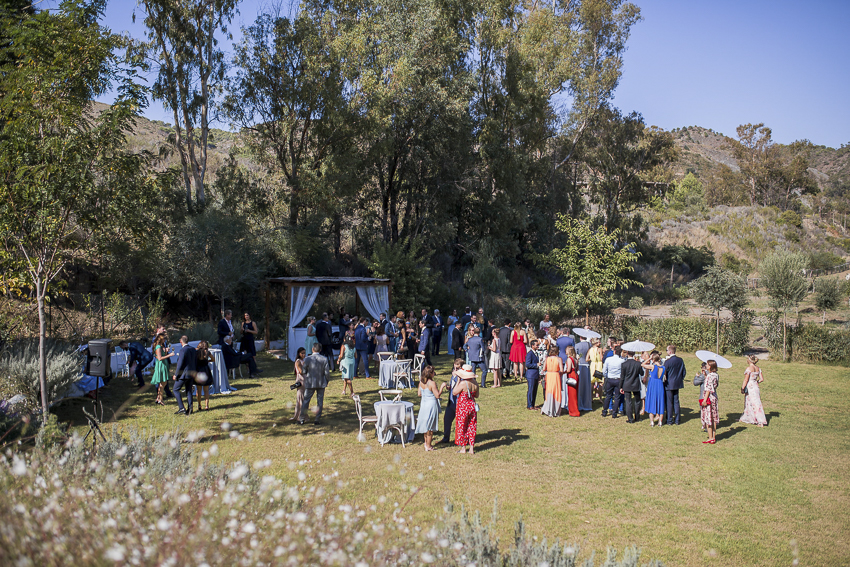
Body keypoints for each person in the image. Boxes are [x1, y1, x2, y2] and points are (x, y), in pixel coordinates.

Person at [414, 365, 446, 451]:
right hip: (431, 405)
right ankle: (428, 445)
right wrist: (442, 387)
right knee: (430, 426)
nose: (434, 374)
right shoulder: (432, 383)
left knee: (425, 424)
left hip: (423, 404)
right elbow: (437, 395)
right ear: (430, 374)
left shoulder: (421, 382)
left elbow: (419, 394)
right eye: (433, 373)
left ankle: (426, 443)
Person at [299, 343, 330, 425]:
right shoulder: (324, 359)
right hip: (321, 382)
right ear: (320, 350)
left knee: (306, 401)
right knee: (320, 401)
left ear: (313, 349)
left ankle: (302, 418)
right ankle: (317, 419)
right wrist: (327, 380)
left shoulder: (308, 359)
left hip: (310, 382)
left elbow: (304, 371)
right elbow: (327, 372)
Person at [452, 364, 479, 454]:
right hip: (472, 406)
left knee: (462, 426)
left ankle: (463, 448)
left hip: (463, 407)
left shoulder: (463, 383)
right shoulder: (475, 383)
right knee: (472, 426)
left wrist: (458, 381)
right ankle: (471, 448)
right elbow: (477, 395)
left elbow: (454, 392)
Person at [439, 359, 464, 444]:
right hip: (451, 402)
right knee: (447, 419)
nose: (455, 370)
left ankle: (460, 440)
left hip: (458, 402)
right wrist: (449, 387)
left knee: (459, 422)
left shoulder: (463, 377)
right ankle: (446, 438)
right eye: (454, 368)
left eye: (457, 368)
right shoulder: (453, 375)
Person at [740, 355, 767, 427]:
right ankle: (748, 417)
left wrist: (742, 388)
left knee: (753, 402)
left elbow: (746, 379)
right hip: (755, 385)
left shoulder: (749, 369)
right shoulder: (758, 368)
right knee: (751, 401)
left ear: (749, 360)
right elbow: (761, 379)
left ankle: (760, 420)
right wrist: (756, 382)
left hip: (750, 385)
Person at [172, 336, 196, 416]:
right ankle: (190, 408)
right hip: (191, 372)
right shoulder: (192, 349)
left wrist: (176, 374)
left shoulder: (183, 350)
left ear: (180, 341)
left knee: (175, 389)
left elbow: (180, 364)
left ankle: (181, 407)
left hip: (184, 374)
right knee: (188, 390)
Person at [663, 344, 687, 425]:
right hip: (677, 383)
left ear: (669, 351)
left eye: (667, 350)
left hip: (669, 384)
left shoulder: (668, 362)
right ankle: (677, 419)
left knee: (669, 402)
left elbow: (664, 373)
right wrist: (680, 379)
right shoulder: (680, 360)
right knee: (676, 401)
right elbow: (684, 372)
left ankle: (669, 420)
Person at [619, 351, 642, 423]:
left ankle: (630, 418)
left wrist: (621, 386)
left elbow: (622, 377)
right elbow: (642, 373)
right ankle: (637, 417)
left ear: (627, 354)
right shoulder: (638, 364)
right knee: (637, 401)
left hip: (627, 384)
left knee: (628, 401)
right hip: (636, 383)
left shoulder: (624, 364)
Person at [643, 353, 666, 426]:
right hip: (660, 384)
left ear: (653, 359)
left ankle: (652, 421)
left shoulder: (653, 366)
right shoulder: (663, 367)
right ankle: (660, 421)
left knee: (652, 401)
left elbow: (642, 364)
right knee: (660, 401)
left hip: (653, 384)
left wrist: (648, 359)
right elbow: (665, 377)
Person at [150, 333, 173, 406]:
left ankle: (158, 398)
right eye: (164, 339)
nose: (165, 340)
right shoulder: (158, 347)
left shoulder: (161, 346)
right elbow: (159, 358)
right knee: (163, 382)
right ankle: (160, 399)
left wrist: (166, 351)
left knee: (163, 382)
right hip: (161, 365)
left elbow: (162, 354)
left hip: (164, 364)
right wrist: (169, 355)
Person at [602, 345, 624, 418]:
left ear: (614, 351)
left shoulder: (608, 359)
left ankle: (605, 411)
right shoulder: (622, 361)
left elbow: (604, 370)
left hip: (610, 379)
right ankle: (614, 413)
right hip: (618, 379)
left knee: (608, 395)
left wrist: (606, 376)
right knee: (617, 397)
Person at [701, 360, 720, 444]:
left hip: (709, 397)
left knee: (708, 417)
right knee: (713, 416)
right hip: (714, 396)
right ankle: (713, 436)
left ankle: (710, 437)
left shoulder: (710, 376)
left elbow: (708, 388)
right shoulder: (716, 375)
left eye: (708, 365)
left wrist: (705, 399)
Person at [541, 347, 563, 417]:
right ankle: (555, 409)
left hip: (549, 375)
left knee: (549, 391)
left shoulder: (547, 359)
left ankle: (548, 408)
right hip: (556, 375)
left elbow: (544, 368)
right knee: (556, 392)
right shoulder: (559, 359)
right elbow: (561, 370)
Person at [574, 332, 592, 412]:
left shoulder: (577, 345)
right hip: (587, 365)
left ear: (580, 337)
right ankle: (587, 403)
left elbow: (575, 355)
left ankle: (580, 402)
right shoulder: (589, 345)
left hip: (580, 365)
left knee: (580, 385)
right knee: (586, 384)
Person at [194, 340, 212, 412]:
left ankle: (199, 404)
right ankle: (207, 405)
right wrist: (208, 361)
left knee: (198, 390)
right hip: (205, 370)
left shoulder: (196, 352)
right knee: (206, 390)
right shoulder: (207, 352)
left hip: (198, 370)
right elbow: (213, 359)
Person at [290, 347, 306, 422]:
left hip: (305, 381)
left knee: (303, 399)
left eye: (304, 353)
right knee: (300, 399)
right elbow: (301, 371)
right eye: (302, 353)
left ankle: (302, 415)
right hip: (301, 381)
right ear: (299, 354)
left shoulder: (303, 360)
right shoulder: (298, 361)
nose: (304, 355)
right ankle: (299, 415)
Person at [563, 346, 580, 417]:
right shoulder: (575, 359)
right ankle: (574, 409)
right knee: (574, 394)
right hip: (575, 375)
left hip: (571, 375)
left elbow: (569, 369)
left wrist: (563, 372)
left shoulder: (569, 359)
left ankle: (573, 411)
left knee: (571, 394)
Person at [525, 340, 540, 409]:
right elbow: (527, 364)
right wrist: (536, 365)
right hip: (531, 375)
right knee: (531, 390)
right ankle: (529, 405)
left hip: (535, 374)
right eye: (536, 345)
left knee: (535, 390)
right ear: (532, 346)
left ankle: (533, 404)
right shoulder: (530, 354)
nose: (538, 346)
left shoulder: (535, 353)